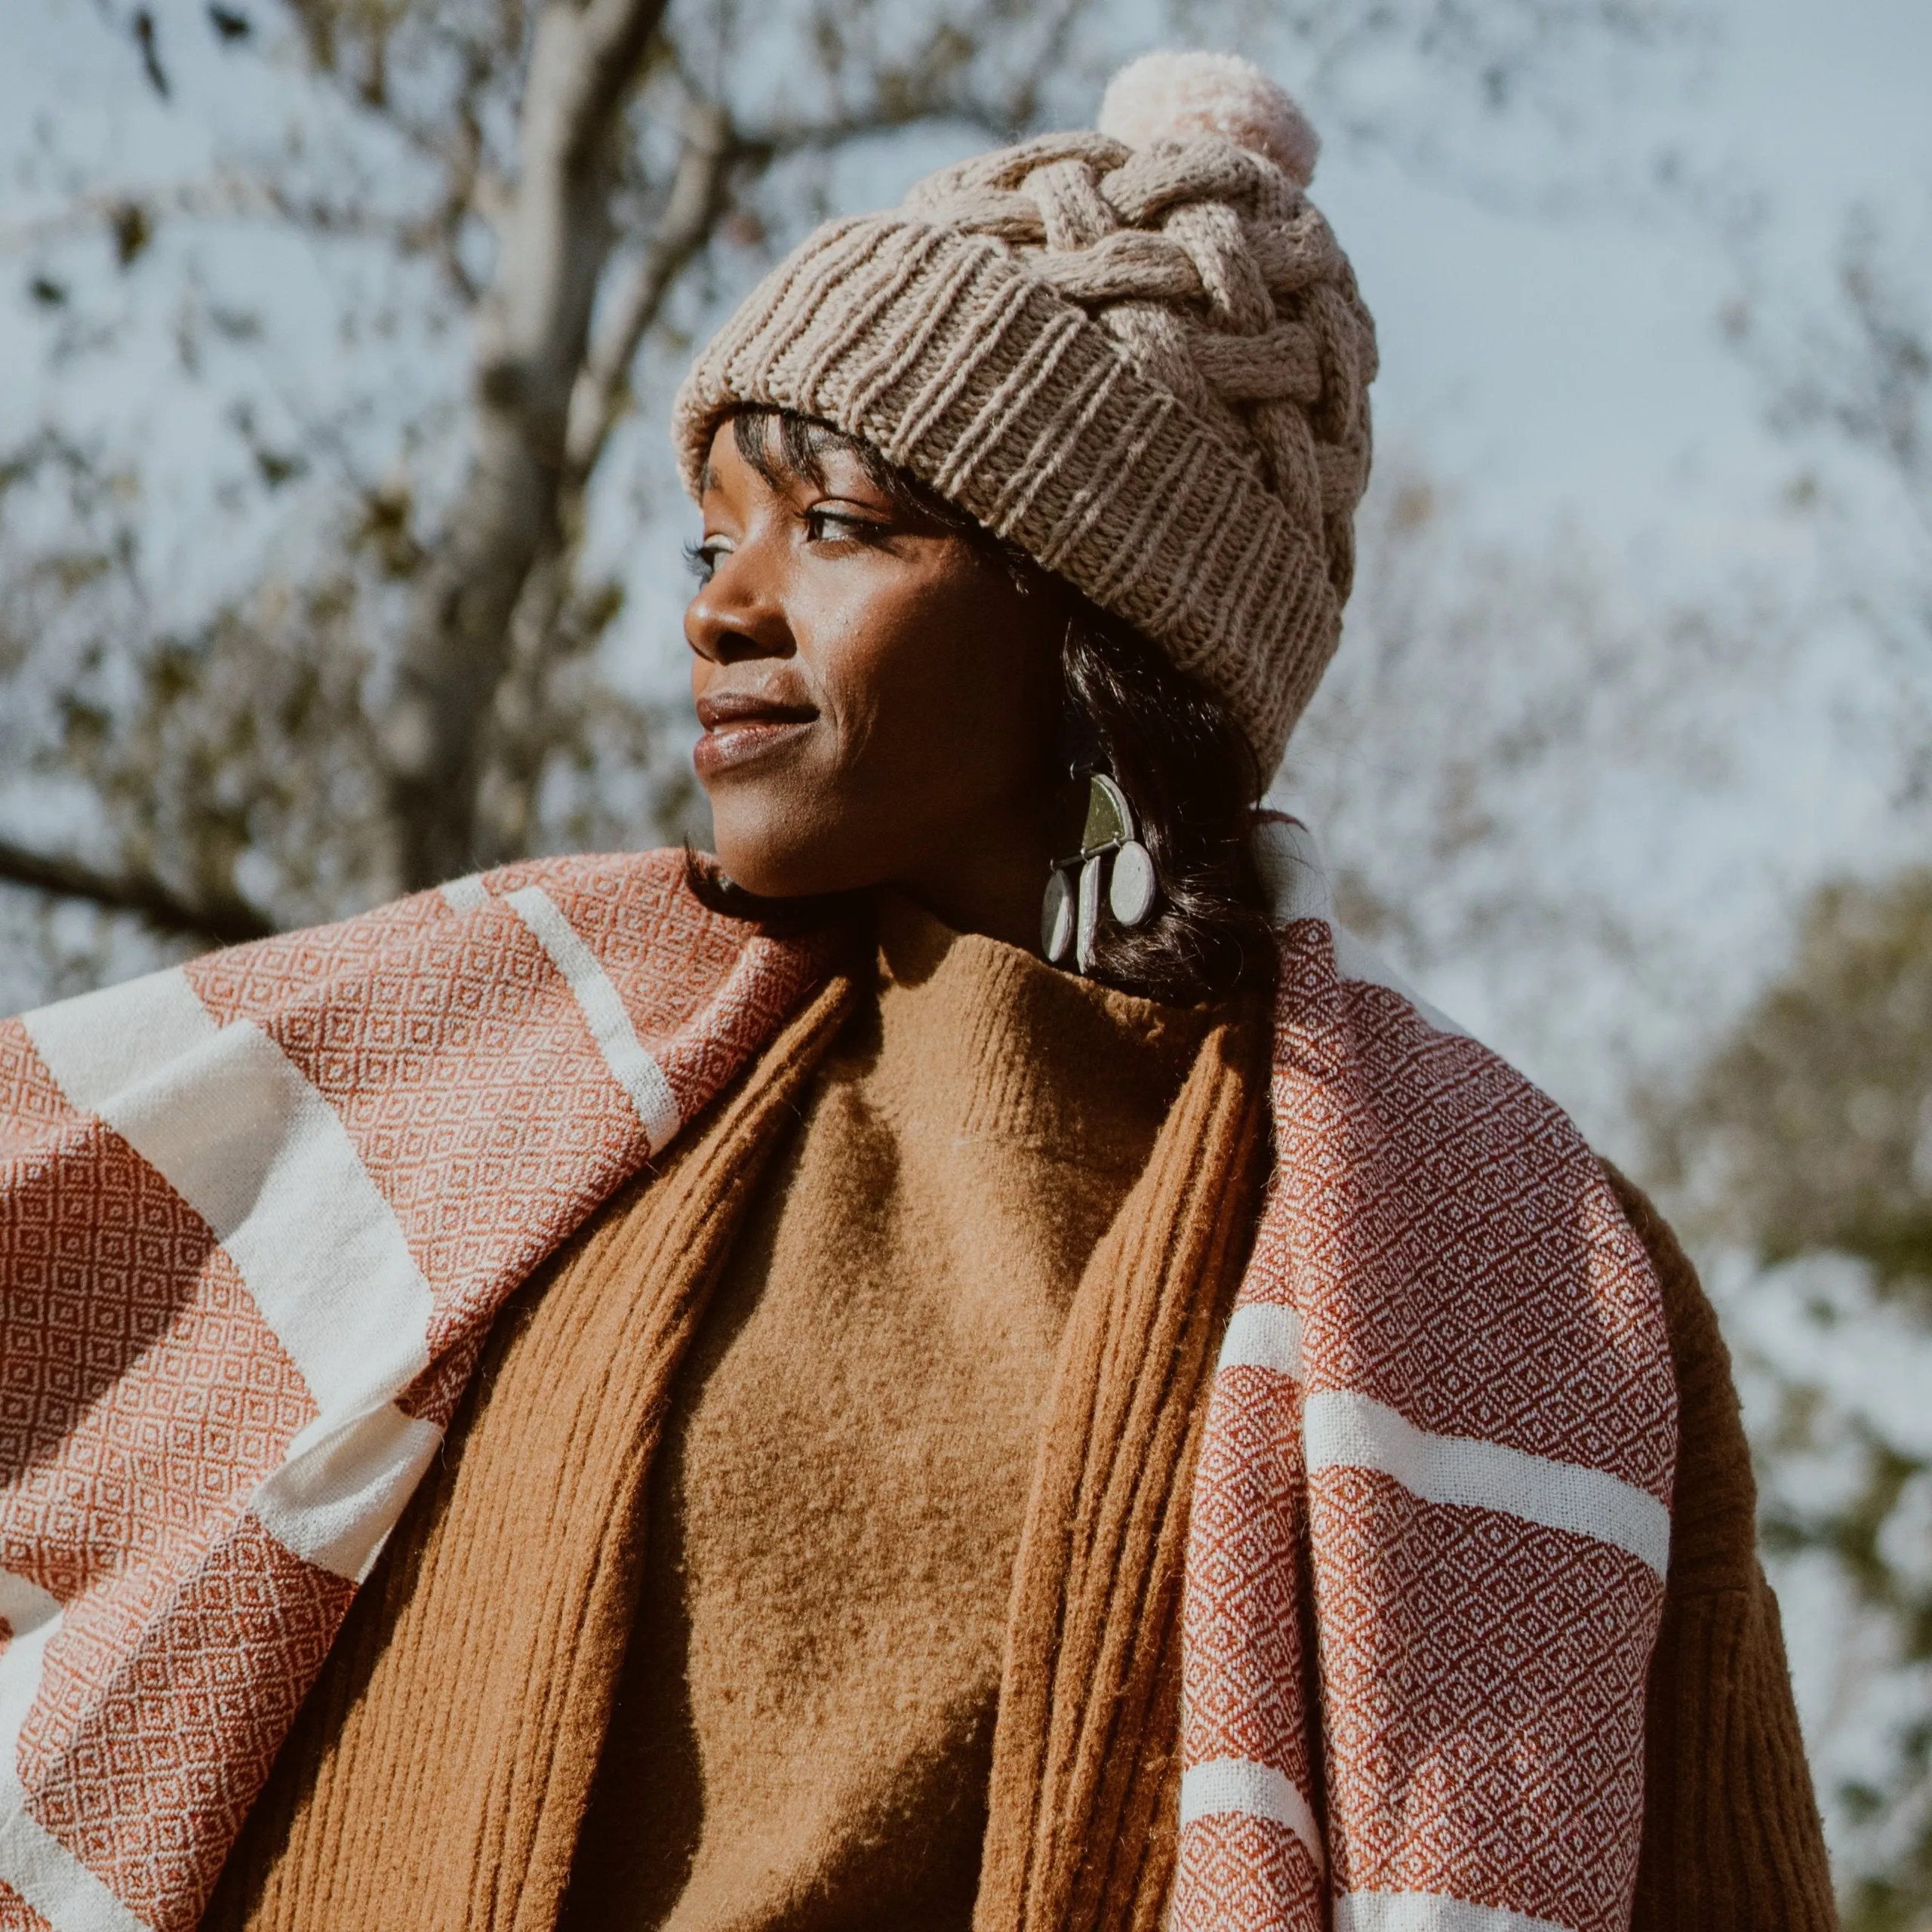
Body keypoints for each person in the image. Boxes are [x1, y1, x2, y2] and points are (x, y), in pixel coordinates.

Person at [0, 51, 1832, 1932]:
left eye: (843, 525)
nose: (722, 602)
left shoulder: (1492, 1254)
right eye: (715, 533)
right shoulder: (507, 1074)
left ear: (1092, 620)